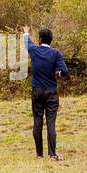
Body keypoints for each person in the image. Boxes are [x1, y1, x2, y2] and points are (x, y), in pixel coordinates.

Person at [21, 25, 68, 160]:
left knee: (37, 121)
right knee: (51, 123)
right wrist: (58, 73)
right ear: (51, 40)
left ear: (40, 39)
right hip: (51, 91)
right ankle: (52, 154)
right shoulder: (56, 53)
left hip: (37, 90)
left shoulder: (34, 50)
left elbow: (27, 42)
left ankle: (39, 154)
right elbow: (64, 71)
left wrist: (26, 33)